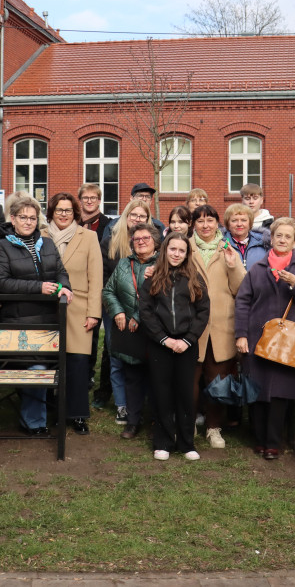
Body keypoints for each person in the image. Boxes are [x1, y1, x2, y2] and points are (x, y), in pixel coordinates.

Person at [235, 217, 295, 459]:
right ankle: (259, 439)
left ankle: (273, 443)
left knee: (280, 394)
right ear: (272, 238)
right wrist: (241, 335)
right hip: (257, 338)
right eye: (279, 235)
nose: (282, 240)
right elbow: (242, 303)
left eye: (288, 237)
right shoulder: (257, 269)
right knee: (257, 391)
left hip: (287, 343)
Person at [0, 195, 73, 435]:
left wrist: (64, 286)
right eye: (23, 217)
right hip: (19, 319)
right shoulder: (3, 246)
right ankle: (33, 422)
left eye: (32, 218)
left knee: (46, 369)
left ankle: (39, 418)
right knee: (34, 369)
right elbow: (1, 282)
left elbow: (60, 271)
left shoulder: (46, 243)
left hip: (48, 318)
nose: (28, 222)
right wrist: (38, 288)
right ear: (13, 219)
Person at [138, 233, 210, 461]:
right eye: (172, 249)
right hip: (161, 345)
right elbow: (146, 312)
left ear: (187, 254)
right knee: (162, 393)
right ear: (165, 251)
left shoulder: (195, 278)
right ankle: (163, 441)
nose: (176, 254)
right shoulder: (152, 278)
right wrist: (163, 339)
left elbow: (203, 311)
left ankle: (187, 443)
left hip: (186, 345)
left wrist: (187, 340)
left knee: (185, 394)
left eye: (181, 250)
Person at [45, 192, 103, 435]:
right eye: (59, 210)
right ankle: (50, 413)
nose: (63, 214)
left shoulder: (88, 237)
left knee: (78, 365)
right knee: (49, 364)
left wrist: (94, 313)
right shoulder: (41, 235)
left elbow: (96, 276)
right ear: (51, 212)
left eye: (68, 210)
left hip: (79, 308)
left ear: (75, 213)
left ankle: (78, 415)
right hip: (46, 308)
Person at [189, 203, 245, 449]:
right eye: (200, 221)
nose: (205, 225)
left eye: (210, 221)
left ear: (217, 223)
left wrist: (233, 266)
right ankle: (187, 422)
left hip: (221, 327)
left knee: (218, 382)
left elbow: (241, 289)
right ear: (194, 224)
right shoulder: (185, 248)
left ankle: (214, 428)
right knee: (189, 380)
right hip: (191, 327)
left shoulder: (228, 250)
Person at [102, 223, 160, 439]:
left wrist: (136, 316)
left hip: (155, 330)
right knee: (133, 377)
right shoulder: (124, 264)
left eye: (146, 238)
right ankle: (133, 422)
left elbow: (161, 295)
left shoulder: (163, 264)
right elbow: (108, 290)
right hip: (130, 332)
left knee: (156, 378)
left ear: (155, 241)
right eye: (137, 239)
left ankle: (157, 420)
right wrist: (117, 312)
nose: (141, 242)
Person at [77, 183, 112, 410]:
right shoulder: (72, 223)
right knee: (81, 330)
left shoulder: (108, 225)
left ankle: (91, 373)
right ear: (80, 200)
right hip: (79, 284)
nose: (89, 201)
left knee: (96, 331)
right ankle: (81, 372)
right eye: (85, 198)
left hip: (100, 281)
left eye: (93, 198)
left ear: (99, 201)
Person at [222, 204, 270, 271]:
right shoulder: (221, 244)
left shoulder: (264, 242)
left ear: (250, 223)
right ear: (228, 224)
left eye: (243, 220)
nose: (239, 224)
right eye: (234, 220)